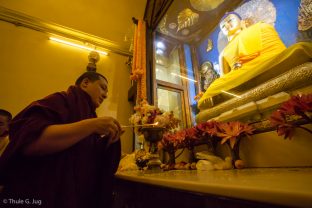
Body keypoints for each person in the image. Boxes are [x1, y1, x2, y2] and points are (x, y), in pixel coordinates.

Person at [0, 71, 123, 208]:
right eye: (103, 87)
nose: (106, 95)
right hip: (41, 195)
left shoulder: (89, 115)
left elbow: (83, 159)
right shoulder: (59, 100)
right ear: (85, 83)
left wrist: (107, 142)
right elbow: (30, 143)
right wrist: (91, 125)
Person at [197, 11, 312, 110]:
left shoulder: (261, 27)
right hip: (239, 75)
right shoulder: (223, 53)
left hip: (267, 62)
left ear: (242, 22)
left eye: (230, 20)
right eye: (223, 26)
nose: (226, 25)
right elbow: (225, 77)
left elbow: (277, 51)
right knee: (212, 90)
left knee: (299, 48)